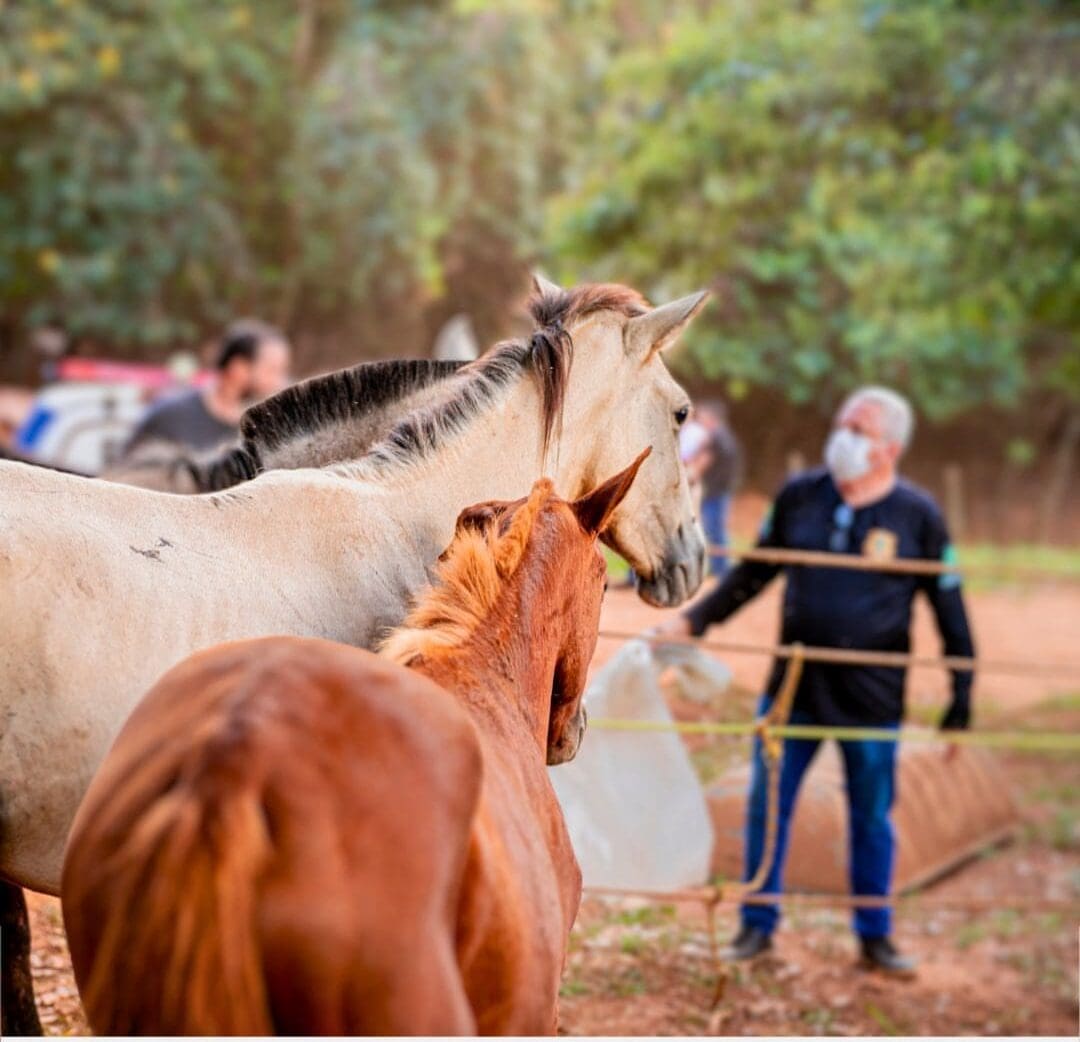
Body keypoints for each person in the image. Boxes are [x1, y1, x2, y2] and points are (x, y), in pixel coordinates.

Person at [653, 386, 974, 975]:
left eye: (859, 430)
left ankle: (875, 935)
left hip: (872, 702)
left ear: (889, 449)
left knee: (871, 817)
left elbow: (948, 607)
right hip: (794, 692)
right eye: (842, 424)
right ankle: (757, 926)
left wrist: (962, 696)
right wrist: (696, 620)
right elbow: (754, 573)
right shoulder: (801, 497)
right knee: (767, 806)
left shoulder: (917, 516)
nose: (842, 437)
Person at [124, 319, 291, 455]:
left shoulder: (267, 433)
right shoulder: (169, 416)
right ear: (238, 369)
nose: (280, 383)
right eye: (273, 370)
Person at [682, 400, 742, 578]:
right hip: (720, 489)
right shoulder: (724, 436)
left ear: (712, 419)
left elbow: (704, 461)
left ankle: (721, 570)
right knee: (714, 529)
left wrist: (689, 478)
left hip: (716, 491)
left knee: (715, 529)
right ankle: (718, 568)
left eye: (703, 418)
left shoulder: (716, 438)